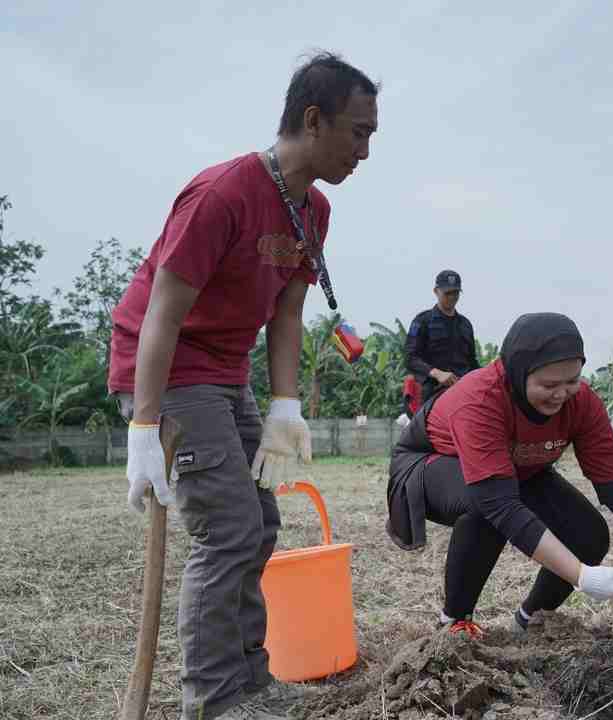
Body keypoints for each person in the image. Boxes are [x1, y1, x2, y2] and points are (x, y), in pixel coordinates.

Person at [107, 53, 379, 720]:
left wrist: (285, 404)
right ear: (313, 121)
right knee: (226, 528)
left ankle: (251, 679)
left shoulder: (312, 212)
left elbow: (286, 315)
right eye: (358, 132)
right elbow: (163, 315)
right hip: (169, 370)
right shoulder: (223, 193)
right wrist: (145, 427)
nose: (365, 151)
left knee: (259, 523)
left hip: (226, 374)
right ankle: (212, 696)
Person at [386, 313, 613, 637]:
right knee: (484, 509)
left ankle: (530, 618)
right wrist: (581, 576)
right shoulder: (480, 398)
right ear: (517, 375)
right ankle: (455, 622)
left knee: (589, 535)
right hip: (429, 463)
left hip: (515, 469)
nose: (561, 394)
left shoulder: (582, 402)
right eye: (548, 385)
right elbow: (498, 504)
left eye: (572, 381)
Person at [406, 269, 480, 405]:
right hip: (432, 390)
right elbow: (411, 359)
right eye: (447, 293)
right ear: (436, 291)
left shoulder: (466, 324)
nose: (452, 297)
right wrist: (437, 373)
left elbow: (472, 362)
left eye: (456, 293)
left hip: (463, 391)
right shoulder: (423, 321)